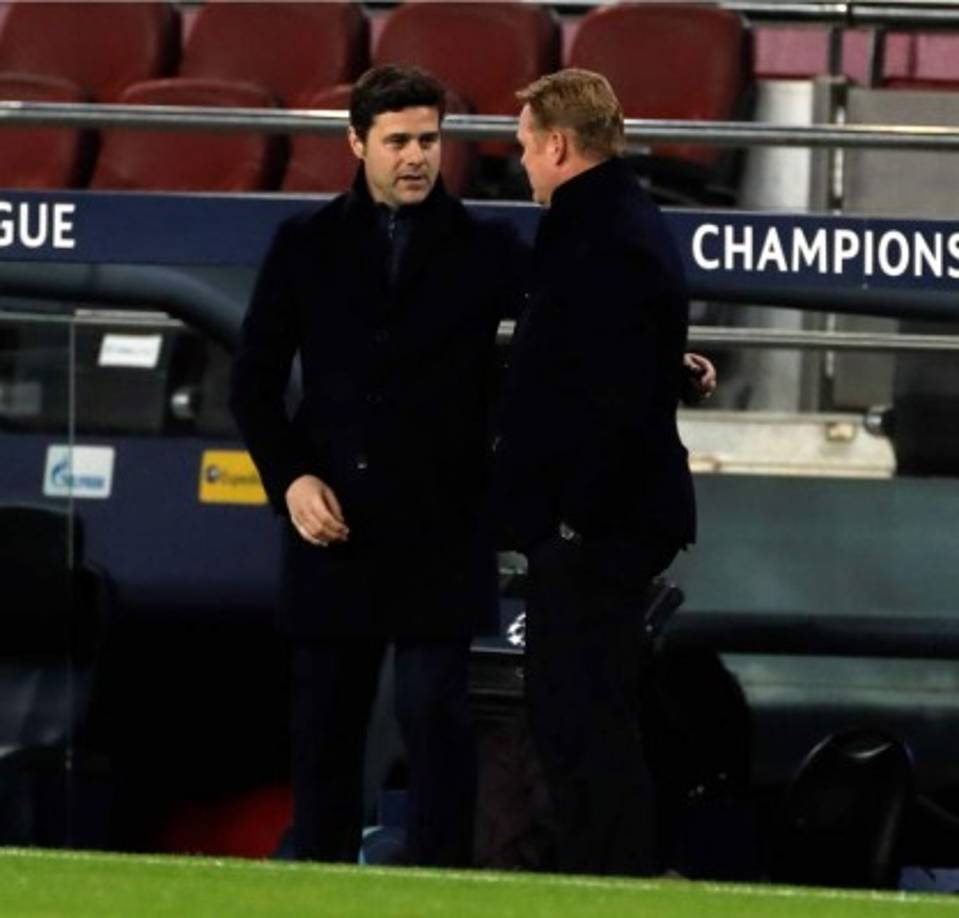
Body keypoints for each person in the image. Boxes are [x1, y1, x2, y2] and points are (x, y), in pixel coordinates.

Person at [229, 64, 523, 866]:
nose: (416, 156)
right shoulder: (304, 246)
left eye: (428, 139)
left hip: (442, 528)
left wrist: (663, 357)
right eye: (398, 141)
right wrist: (291, 479)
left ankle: (440, 892)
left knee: (436, 721)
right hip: (333, 528)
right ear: (357, 142)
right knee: (324, 733)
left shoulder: (487, 250)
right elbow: (252, 384)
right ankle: (319, 892)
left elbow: (571, 327)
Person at [489, 69, 698, 876]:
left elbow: (605, 390)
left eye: (524, 146)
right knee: (578, 713)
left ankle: (613, 878)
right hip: (601, 516)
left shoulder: (600, 234)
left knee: (582, 716)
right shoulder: (609, 220)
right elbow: (610, 354)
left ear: (556, 145)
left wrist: (571, 523)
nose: (520, 162)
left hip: (596, 523)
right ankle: (609, 874)